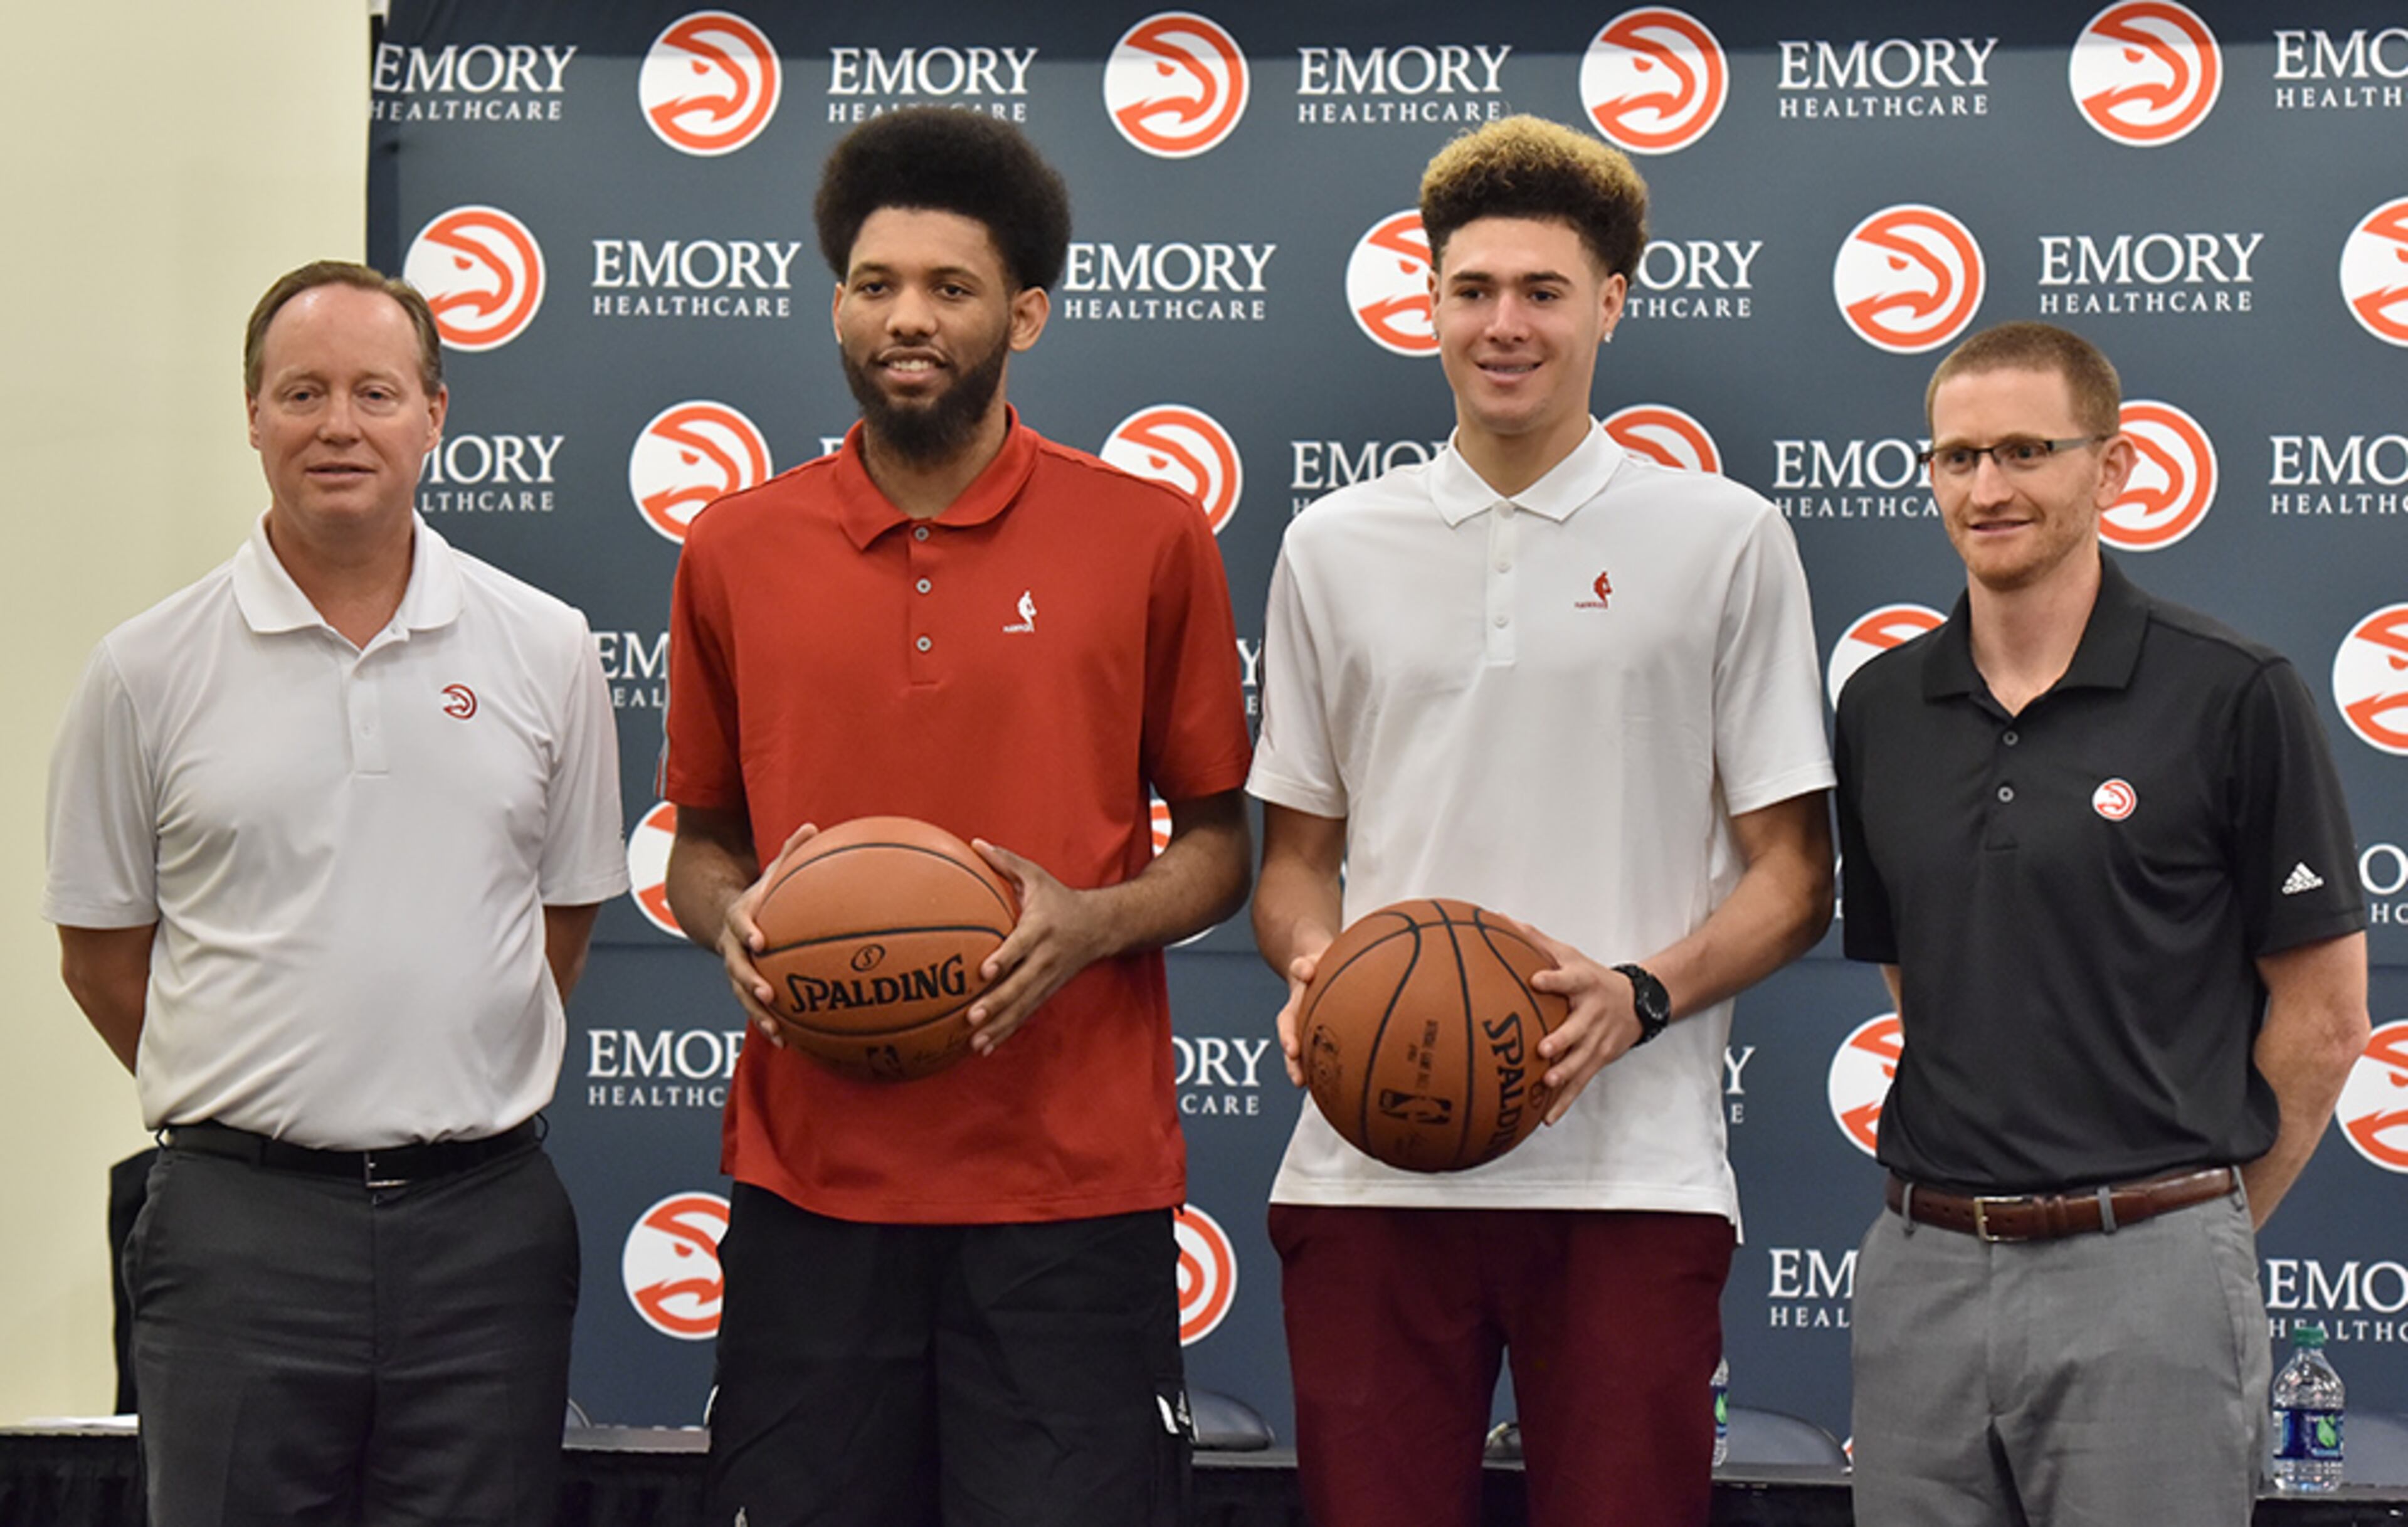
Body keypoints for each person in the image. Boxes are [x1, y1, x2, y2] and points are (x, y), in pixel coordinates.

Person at [660, 108, 1254, 1527]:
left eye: (949, 287)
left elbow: (1228, 844)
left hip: (1067, 1194)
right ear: (838, 304)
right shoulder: (735, 546)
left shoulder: (1148, 534)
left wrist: (1091, 920)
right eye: (875, 285)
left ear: (1026, 314)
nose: (905, 318)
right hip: (814, 1185)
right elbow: (699, 842)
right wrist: (727, 918)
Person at [1247, 115, 1836, 1527]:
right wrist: (1322, 975)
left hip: (1635, 1172)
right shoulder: (1332, 546)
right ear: (1430, 299)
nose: (1503, 325)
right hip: (1372, 1168)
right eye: (1471, 290)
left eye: (1543, 291)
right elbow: (1294, 871)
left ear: (1611, 302)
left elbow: (1792, 876)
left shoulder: (1726, 535)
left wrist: (1638, 997)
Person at [42, 259, 629, 1526]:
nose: (338, 425)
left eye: (375, 391)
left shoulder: (548, 645)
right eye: (302, 392)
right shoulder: (144, 669)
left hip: (486, 1229)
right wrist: (277, 1087)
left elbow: (563, 917)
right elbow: (99, 955)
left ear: (436, 413)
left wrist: (436, 1067)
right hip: (235, 1230)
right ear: (251, 414)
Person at [1835, 320, 2372, 1526]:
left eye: (2027, 450)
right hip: (1921, 1272)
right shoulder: (1880, 707)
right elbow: (1920, 985)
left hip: (2153, 1275)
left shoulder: (2233, 692)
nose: (1990, 487)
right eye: (1959, 457)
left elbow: (2330, 1016)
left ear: (2113, 468)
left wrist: (2192, 1229)